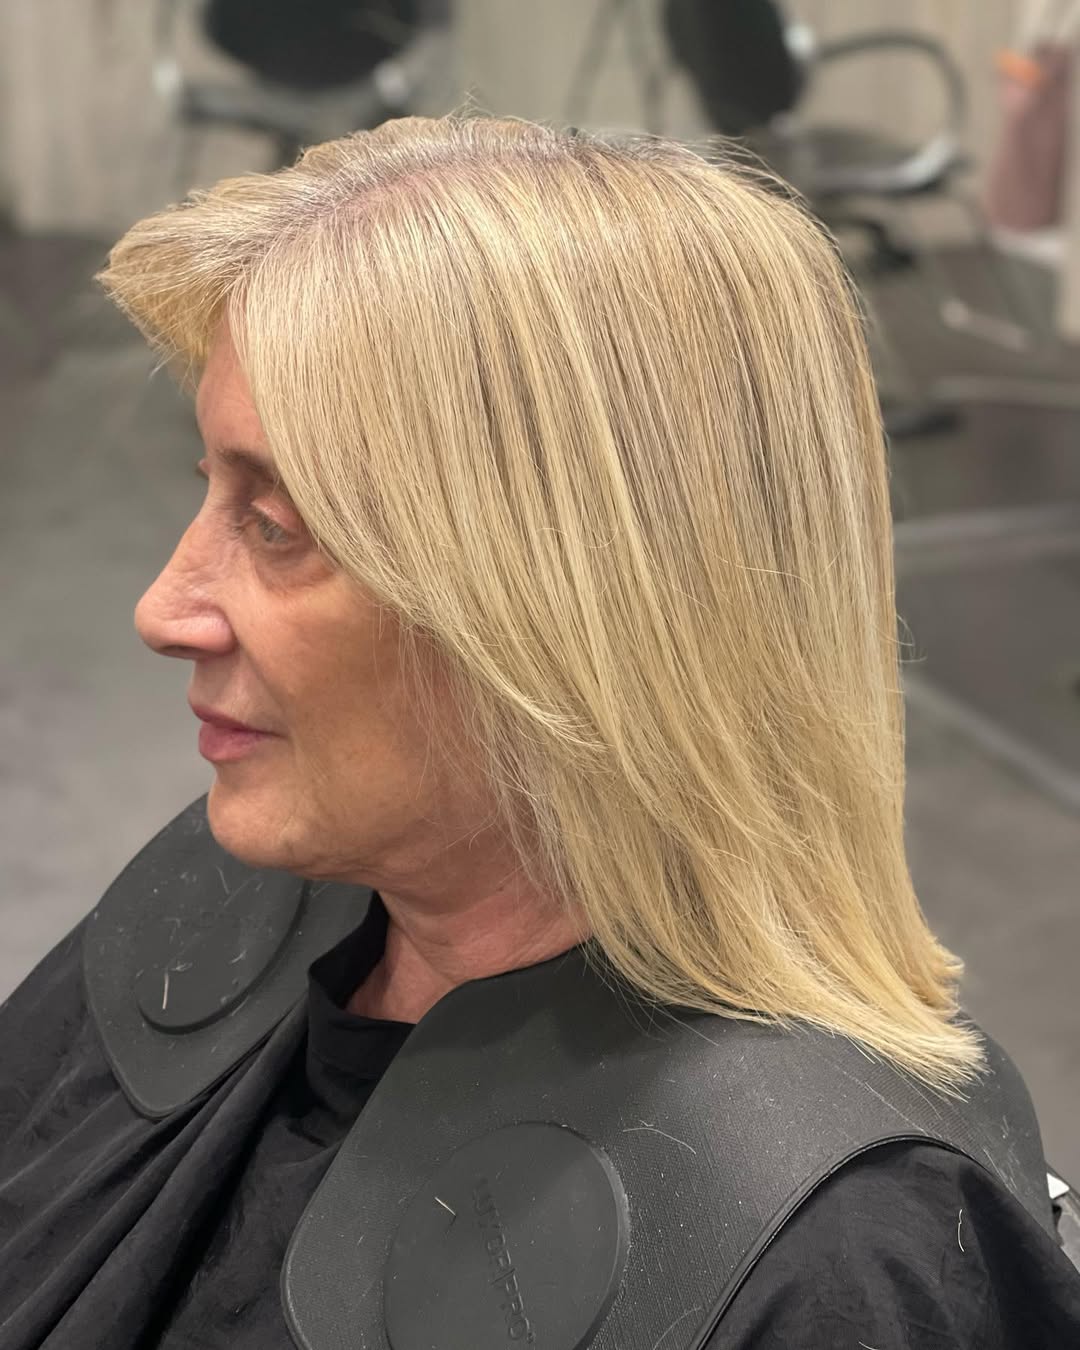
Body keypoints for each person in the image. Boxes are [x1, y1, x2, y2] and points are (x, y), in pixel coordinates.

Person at [2, 114, 1079, 1350]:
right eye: (212, 494)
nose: (165, 609)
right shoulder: (214, 916)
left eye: (277, 528)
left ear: (566, 611)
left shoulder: (827, 1257)